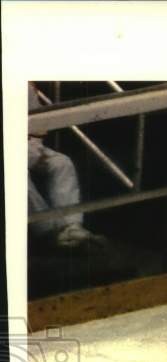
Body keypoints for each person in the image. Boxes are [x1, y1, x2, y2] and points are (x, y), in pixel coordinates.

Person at [28, 82, 103, 249]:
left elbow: (36, 126)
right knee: (16, 174)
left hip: (26, 146)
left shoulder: (24, 85)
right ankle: (48, 232)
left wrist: (35, 150)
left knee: (62, 163)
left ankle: (71, 226)